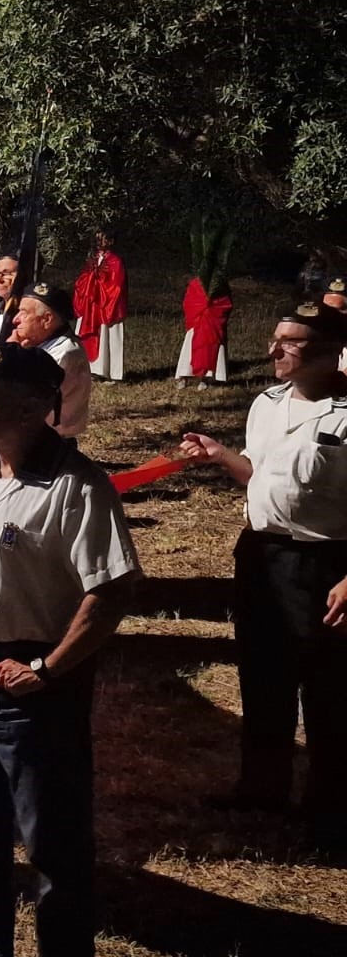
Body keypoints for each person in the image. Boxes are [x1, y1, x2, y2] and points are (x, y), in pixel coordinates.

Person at [0, 342, 139, 957]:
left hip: (34, 683)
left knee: (52, 837)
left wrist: (48, 670)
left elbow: (111, 590)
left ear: (29, 408)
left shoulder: (79, 487)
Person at [180, 302, 347, 852]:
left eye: (290, 342)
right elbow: (258, 473)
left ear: (329, 351)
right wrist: (220, 455)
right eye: (276, 338)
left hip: (325, 563)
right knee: (262, 674)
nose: (274, 349)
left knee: (329, 688)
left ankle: (330, 806)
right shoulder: (267, 403)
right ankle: (261, 788)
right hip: (260, 555)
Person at [11, 282, 92, 439]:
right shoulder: (43, 345)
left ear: (47, 320)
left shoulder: (63, 353)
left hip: (47, 442)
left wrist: (10, 355)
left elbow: (15, 396)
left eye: (24, 313)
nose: (15, 319)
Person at [73, 227, 127, 381]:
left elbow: (117, 285)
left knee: (109, 336)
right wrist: (90, 282)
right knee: (91, 337)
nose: (99, 242)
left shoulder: (115, 261)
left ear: (110, 241)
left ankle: (111, 373)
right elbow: (82, 281)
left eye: (102, 238)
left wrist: (99, 284)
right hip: (91, 305)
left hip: (106, 305)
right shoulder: (92, 260)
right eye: (97, 238)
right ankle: (92, 369)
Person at [177, 270, 233, 388]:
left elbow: (225, 304)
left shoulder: (220, 285)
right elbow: (189, 302)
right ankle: (184, 376)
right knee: (191, 345)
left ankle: (206, 377)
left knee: (211, 347)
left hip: (212, 321)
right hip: (198, 322)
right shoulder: (196, 284)